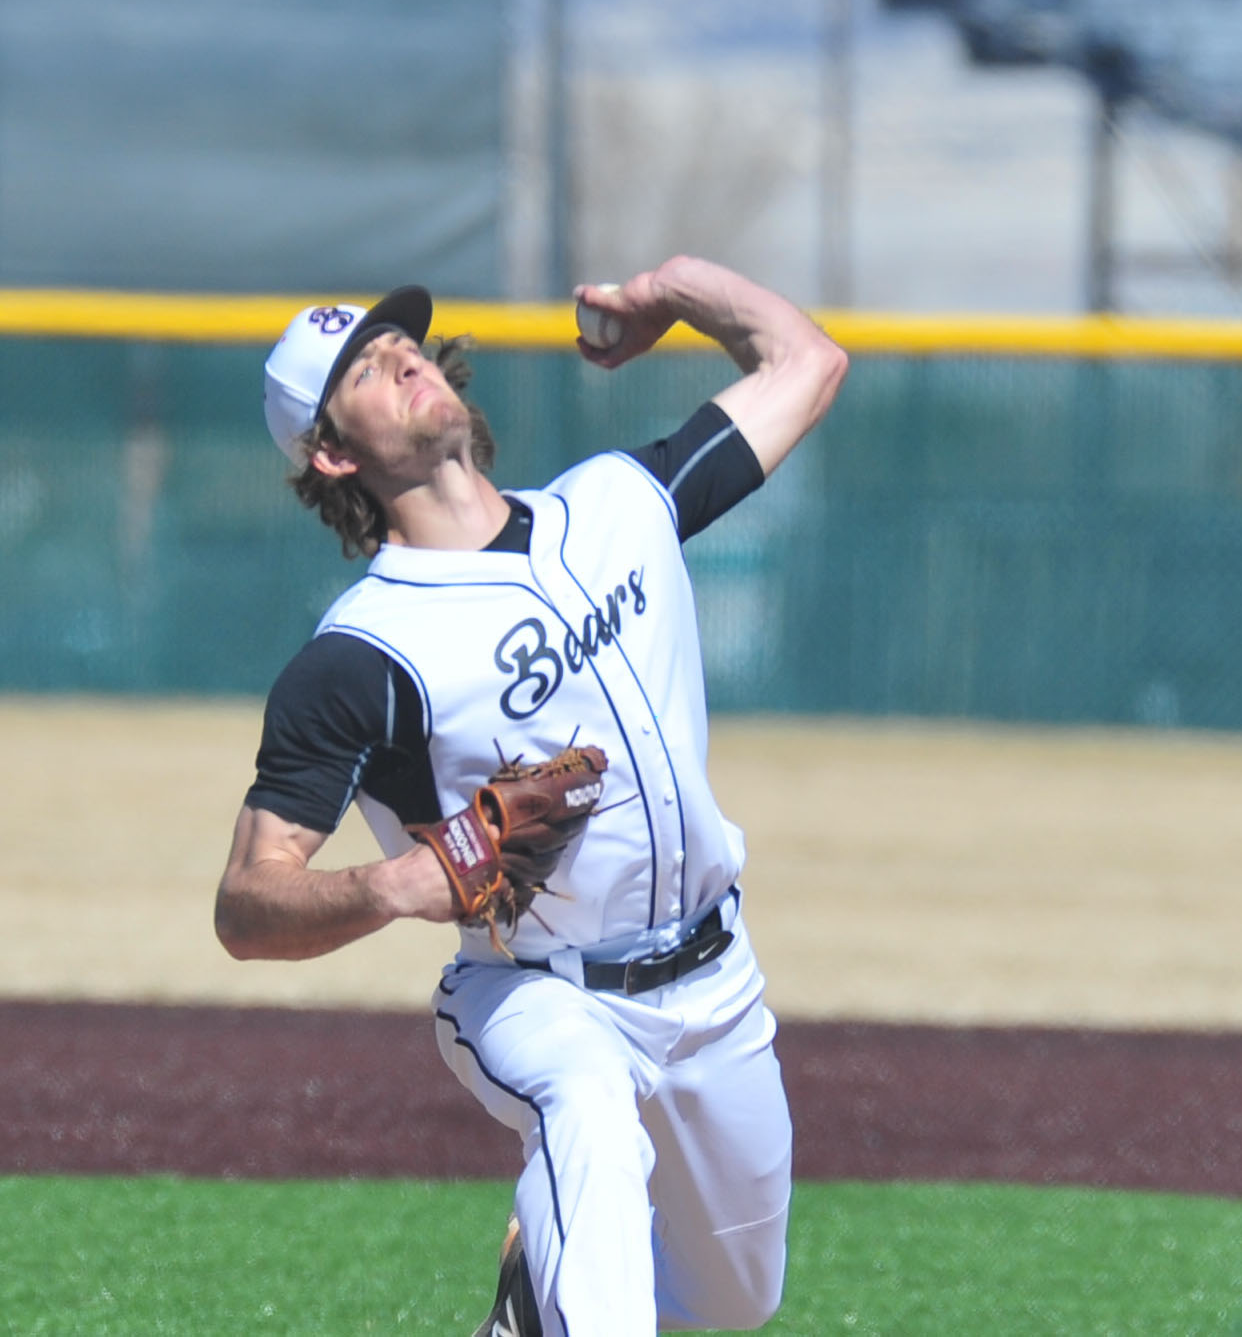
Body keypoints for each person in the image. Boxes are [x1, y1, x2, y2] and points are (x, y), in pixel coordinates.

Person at [214, 258, 847, 1337]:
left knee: (735, 1299)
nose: (403, 357)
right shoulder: (361, 656)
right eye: (365, 368)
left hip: (713, 976)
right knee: (590, 1112)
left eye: (404, 342)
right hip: (540, 992)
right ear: (333, 452)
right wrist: (402, 878)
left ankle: (528, 1302)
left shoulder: (618, 502)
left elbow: (806, 359)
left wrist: (676, 287)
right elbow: (246, 904)